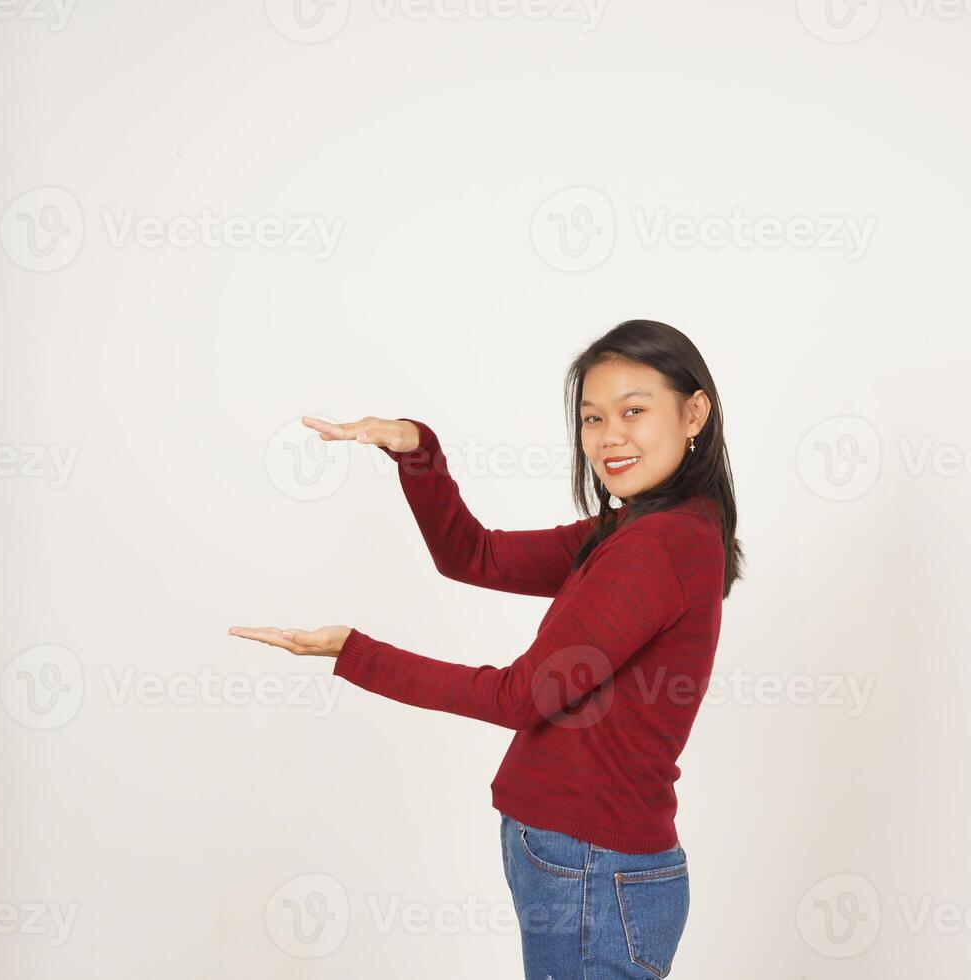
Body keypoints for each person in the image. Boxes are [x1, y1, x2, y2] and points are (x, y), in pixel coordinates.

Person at [229, 319, 744, 978]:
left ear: (693, 410)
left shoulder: (656, 546)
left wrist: (353, 652)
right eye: (591, 418)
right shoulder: (637, 529)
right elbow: (474, 555)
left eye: (633, 412)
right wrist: (416, 452)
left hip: (592, 866)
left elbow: (522, 696)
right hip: (585, 862)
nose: (609, 436)